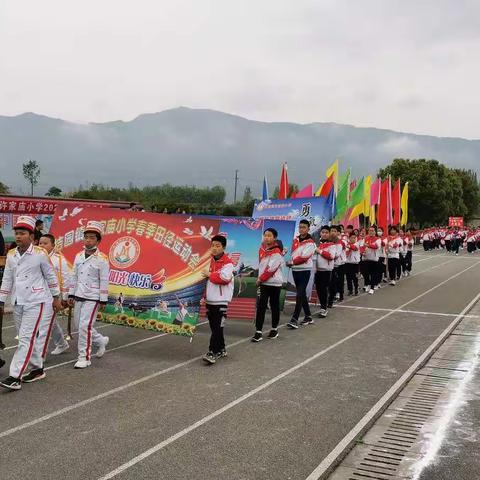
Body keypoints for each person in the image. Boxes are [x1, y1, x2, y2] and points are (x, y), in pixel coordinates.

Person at [0, 216, 62, 390]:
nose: (18, 236)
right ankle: (37, 369)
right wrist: (1, 301)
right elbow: (7, 279)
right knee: (26, 338)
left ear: (31, 236)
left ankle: (14, 376)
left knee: (25, 338)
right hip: (18, 301)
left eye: (22, 233)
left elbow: (50, 276)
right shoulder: (11, 255)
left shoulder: (40, 254)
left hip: (37, 301)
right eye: (16, 233)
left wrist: (56, 297)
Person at [68, 221, 110, 369]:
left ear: (98, 241)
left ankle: (84, 358)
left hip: (93, 296)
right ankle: (100, 340)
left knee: (85, 326)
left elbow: (104, 280)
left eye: (92, 237)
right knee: (79, 326)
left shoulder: (103, 259)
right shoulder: (78, 256)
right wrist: (70, 295)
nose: (88, 240)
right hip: (79, 294)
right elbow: (74, 276)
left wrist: (103, 300)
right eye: (86, 237)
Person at [201, 235, 234, 364]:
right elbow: (205, 281)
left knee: (217, 328)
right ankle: (221, 349)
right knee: (215, 327)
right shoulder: (208, 261)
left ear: (223, 247)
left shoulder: (228, 263)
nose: (214, 248)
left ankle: (212, 352)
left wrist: (209, 274)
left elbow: (224, 279)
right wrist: (204, 297)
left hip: (221, 300)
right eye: (213, 245)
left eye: (217, 246)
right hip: (210, 300)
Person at [38, 233, 72, 356]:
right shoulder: (36, 256)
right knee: (50, 323)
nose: (41, 245)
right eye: (40, 243)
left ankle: (39, 358)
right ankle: (62, 344)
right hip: (37, 295)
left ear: (53, 245)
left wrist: (64, 297)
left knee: (44, 326)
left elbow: (65, 278)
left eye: (45, 243)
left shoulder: (59, 259)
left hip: (53, 297)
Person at [252, 228, 284, 342]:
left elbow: (272, 269)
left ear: (274, 238)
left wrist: (260, 279)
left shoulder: (276, 251)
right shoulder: (262, 249)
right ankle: (258, 332)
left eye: (269, 236)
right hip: (264, 283)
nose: (267, 237)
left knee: (274, 306)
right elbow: (261, 266)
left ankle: (274, 329)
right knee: (261, 306)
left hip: (274, 283)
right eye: (265, 235)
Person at [286, 220, 316, 329]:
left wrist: (292, 262)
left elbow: (304, 257)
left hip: (304, 270)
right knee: (301, 293)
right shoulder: (295, 240)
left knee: (299, 293)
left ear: (308, 228)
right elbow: (290, 253)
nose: (301, 229)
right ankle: (308, 316)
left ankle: (294, 319)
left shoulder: (311, 243)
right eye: (300, 227)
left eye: (304, 227)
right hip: (295, 270)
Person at [315, 226, 336, 318]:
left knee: (323, 289)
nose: (324, 234)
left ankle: (324, 308)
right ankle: (322, 305)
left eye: (326, 232)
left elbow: (331, 256)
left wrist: (319, 251)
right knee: (318, 289)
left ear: (329, 234)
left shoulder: (332, 245)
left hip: (326, 270)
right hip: (316, 270)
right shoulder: (316, 243)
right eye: (322, 232)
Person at [362, 226, 382, 295]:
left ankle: (372, 288)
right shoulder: (365, 238)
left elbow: (376, 247)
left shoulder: (378, 239)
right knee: (366, 273)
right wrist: (362, 252)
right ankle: (368, 284)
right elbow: (362, 247)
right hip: (366, 258)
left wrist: (368, 245)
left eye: (372, 230)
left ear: (375, 232)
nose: (371, 232)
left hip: (374, 259)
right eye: (370, 230)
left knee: (373, 274)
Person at [345, 231, 360, 296]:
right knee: (348, 278)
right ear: (349, 238)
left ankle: (356, 289)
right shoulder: (347, 245)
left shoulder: (357, 244)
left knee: (355, 277)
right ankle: (350, 290)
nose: (353, 239)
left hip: (355, 263)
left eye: (354, 238)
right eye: (351, 238)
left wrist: (348, 245)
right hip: (348, 263)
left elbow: (355, 248)